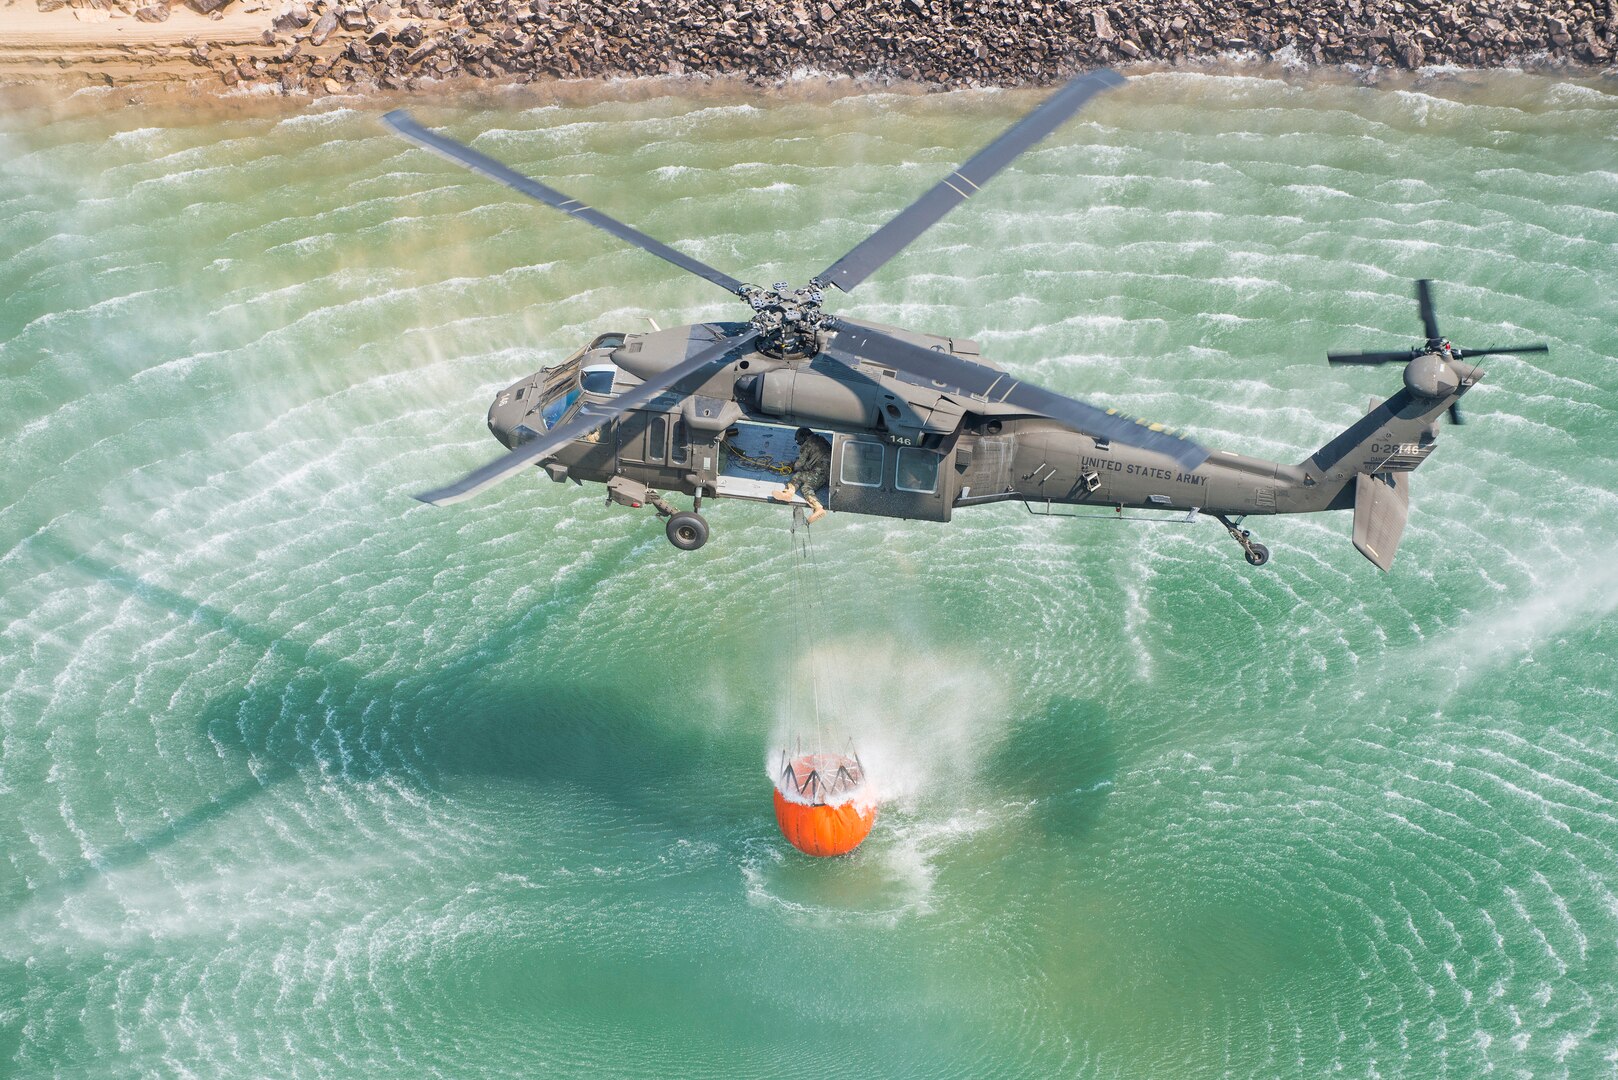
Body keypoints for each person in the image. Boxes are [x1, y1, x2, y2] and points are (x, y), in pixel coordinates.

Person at [773, 426, 831, 524]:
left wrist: (792, 466)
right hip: (830, 473)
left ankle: (790, 494)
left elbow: (799, 464)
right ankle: (815, 507)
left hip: (820, 473)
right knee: (805, 478)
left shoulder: (807, 444)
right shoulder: (822, 440)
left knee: (802, 481)